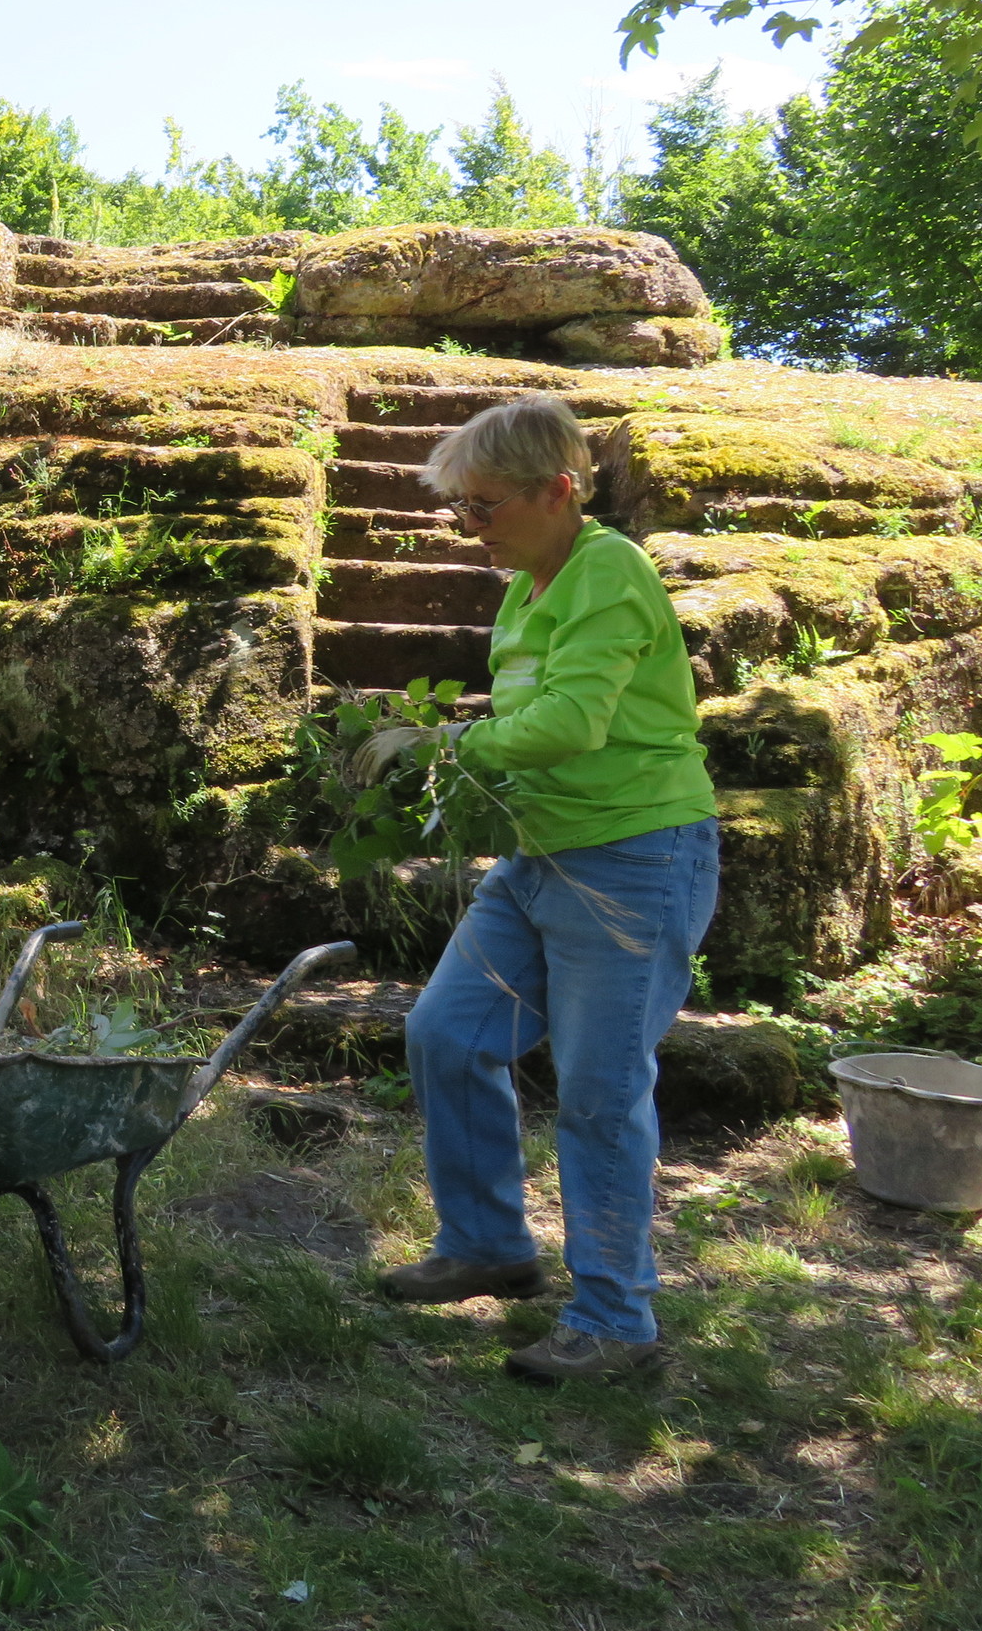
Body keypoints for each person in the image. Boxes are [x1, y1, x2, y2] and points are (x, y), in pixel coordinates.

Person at [349, 392, 719, 1385]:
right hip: (539, 856)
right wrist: (455, 767)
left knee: (600, 1094)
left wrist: (443, 743)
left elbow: (570, 723)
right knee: (448, 1035)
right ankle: (488, 1245)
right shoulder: (528, 585)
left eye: (484, 505)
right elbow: (530, 721)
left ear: (558, 490)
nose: (469, 526)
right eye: (459, 507)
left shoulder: (609, 571)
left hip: (634, 859)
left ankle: (616, 1321)